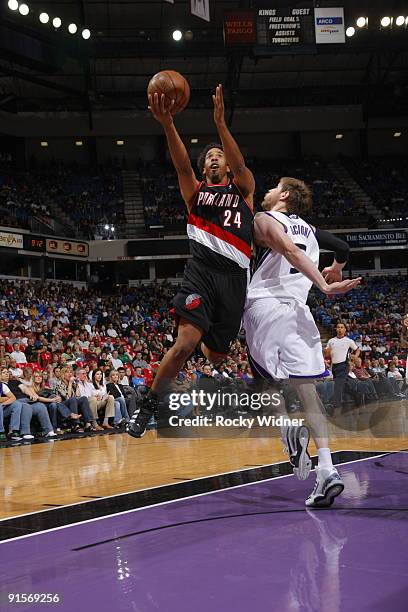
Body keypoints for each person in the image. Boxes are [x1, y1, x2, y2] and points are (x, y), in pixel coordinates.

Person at [128, 84, 255, 438]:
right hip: (200, 274)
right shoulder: (196, 193)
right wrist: (168, 123)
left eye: (219, 155)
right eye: (209, 157)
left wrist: (220, 125)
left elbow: (242, 163)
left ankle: (206, 336)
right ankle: (147, 410)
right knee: (183, 345)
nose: (213, 158)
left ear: (228, 164)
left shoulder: (243, 190)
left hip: (234, 280)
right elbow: (181, 163)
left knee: (215, 357)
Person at [243, 178, 361, 507]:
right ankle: (327, 469)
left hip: (265, 307)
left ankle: (288, 433)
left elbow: (289, 251)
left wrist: (324, 283)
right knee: (307, 393)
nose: (267, 191)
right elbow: (343, 248)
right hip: (300, 313)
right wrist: (335, 270)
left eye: (274, 187)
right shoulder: (309, 230)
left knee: (265, 385)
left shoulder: (262, 220)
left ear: (283, 195)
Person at [325, 322, 360, 413]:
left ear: (345, 329)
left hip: (344, 365)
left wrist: (355, 356)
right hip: (334, 366)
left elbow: (357, 349)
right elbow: (327, 353)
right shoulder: (331, 341)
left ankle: (336, 406)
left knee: (338, 385)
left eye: (342, 327)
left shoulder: (348, 341)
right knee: (344, 385)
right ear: (336, 329)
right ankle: (357, 395)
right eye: (338, 327)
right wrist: (326, 358)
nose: (340, 329)